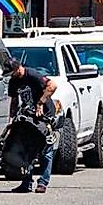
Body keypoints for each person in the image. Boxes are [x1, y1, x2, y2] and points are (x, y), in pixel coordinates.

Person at [6, 60, 64, 194]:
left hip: (44, 116)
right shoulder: (13, 81)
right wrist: (11, 120)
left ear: (18, 68)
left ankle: (43, 182)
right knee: (27, 150)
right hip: (28, 117)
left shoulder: (32, 75)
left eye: (12, 72)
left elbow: (52, 86)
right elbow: (14, 101)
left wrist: (40, 103)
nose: (11, 76)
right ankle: (26, 183)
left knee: (46, 150)